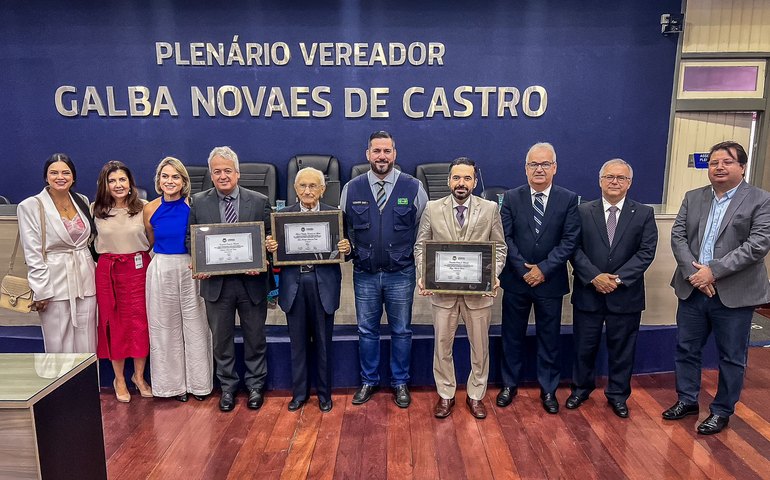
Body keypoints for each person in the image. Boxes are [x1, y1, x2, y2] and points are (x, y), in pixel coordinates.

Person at [662, 141, 770, 435]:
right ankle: (687, 400)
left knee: (731, 356)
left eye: (727, 162)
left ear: (742, 167)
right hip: (693, 289)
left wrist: (713, 272)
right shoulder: (693, 197)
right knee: (686, 348)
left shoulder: (761, 200)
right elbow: (678, 237)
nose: (719, 167)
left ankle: (722, 410)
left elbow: (758, 245)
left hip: (734, 293)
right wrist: (694, 274)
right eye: (713, 163)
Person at [339, 130, 428, 408]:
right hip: (365, 273)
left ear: (394, 154)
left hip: (401, 273)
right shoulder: (351, 188)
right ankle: (369, 380)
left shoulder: (413, 187)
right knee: (367, 330)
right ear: (367, 154)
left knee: (401, 330)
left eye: (387, 151)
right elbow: (343, 228)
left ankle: (400, 382)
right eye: (376, 151)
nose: (381, 156)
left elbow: (424, 230)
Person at [414, 157, 507, 419]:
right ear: (448, 181)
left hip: (479, 295)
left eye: (467, 178)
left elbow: (500, 248)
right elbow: (421, 246)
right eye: (456, 178)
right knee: (442, 347)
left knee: (480, 348)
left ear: (475, 182)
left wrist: (493, 274)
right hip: (443, 294)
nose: (461, 183)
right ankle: (446, 394)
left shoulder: (490, 209)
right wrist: (424, 275)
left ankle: (476, 395)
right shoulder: (432, 208)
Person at [568, 159, 657, 418]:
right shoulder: (582, 211)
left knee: (622, 350)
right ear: (600, 181)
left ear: (629, 183)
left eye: (621, 178)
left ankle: (618, 395)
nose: (614, 182)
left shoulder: (644, 213)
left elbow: (646, 252)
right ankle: (580, 389)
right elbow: (573, 248)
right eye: (609, 177)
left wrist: (616, 280)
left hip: (625, 295)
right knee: (584, 347)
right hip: (589, 292)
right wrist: (595, 276)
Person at [187, 146, 272, 412]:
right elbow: (191, 238)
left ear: (237, 173)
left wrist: (263, 258)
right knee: (221, 340)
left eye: (227, 170)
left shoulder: (259, 201)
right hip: (216, 285)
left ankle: (255, 386)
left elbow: (269, 238)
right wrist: (199, 261)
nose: (222, 176)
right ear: (211, 175)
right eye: (217, 172)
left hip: (252, 282)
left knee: (255, 337)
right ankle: (227, 387)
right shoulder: (198, 202)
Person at [497, 142, 580, 414]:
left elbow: (569, 241)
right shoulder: (510, 198)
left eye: (545, 164)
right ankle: (509, 385)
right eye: (534, 164)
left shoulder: (568, 199)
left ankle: (548, 389)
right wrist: (524, 270)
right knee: (512, 337)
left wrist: (543, 269)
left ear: (555, 167)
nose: (539, 169)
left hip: (550, 282)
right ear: (526, 168)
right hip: (516, 281)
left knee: (549, 339)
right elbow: (505, 237)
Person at [265, 167, 351, 413]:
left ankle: (324, 395)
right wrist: (271, 248)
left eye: (313, 186)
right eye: (302, 185)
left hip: (323, 284)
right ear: (295, 189)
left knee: (324, 344)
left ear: (322, 189)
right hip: (294, 285)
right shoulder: (281, 217)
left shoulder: (335, 215)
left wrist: (347, 247)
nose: (307, 190)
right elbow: (273, 255)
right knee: (298, 345)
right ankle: (299, 394)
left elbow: (346, 250)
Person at [144, 157, 213, 402]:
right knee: (164, 328)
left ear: (184, 181)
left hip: (191, 267)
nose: (170, 181)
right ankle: (171, 387)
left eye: (175, 177)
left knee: (196, 326)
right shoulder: (150, 208)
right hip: (162, 268)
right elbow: (150, 240)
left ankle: (199, 385)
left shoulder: (195, 206)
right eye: (165, 176)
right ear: (158, 180)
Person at [17, 153, 97, 353]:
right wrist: (41, 289)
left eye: (66, 173)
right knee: (58, 342)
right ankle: (59, 376)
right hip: (53, 281)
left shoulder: (82, 200)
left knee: (88, 340)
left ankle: (87, 375)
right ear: (46, 176)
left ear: (73, 176)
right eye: (54, 173)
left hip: (86, 279)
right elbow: (32, 252)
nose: (60, 177)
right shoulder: (31, 206)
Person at [93, 161, 153, 402]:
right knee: (113, 325)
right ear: (105, 185)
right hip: (108, 272)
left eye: (122, 180)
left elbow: (151, 239)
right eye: (112, 181)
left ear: (130, 183)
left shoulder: (144, 207)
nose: (118, 185)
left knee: (140, 324)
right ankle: (119, 379)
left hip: (138, 271)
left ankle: (139, 376)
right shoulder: (94, 209)